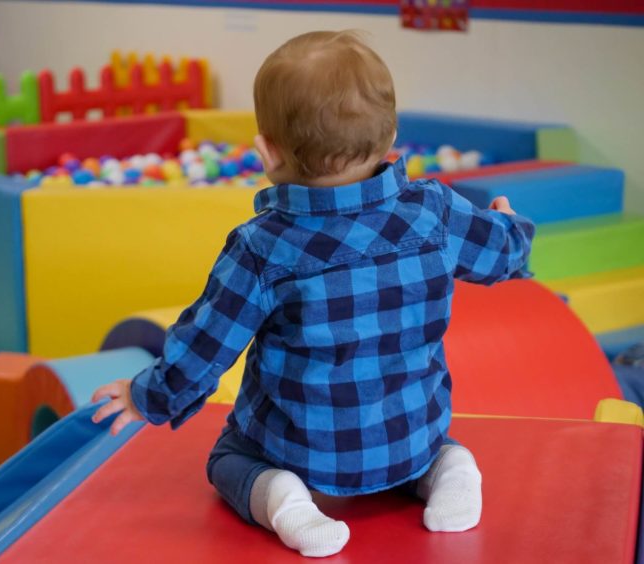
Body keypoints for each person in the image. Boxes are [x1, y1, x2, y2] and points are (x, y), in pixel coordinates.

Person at [92, 30, 535, 558]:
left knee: (229, 459)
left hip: (301, 450)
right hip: (410, 434)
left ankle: (284, 499)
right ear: (392, 136)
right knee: (428, 445)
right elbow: (504, 255)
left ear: (265, 152)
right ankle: (450, 470)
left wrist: (149, 396)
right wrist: (510, 228)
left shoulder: (261, 247)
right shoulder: (433, 211)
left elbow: (207, 344)